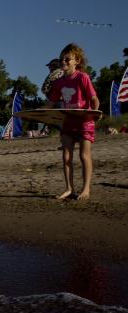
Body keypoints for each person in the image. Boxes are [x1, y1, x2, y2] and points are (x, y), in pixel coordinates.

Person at [46, 43, 99, 201]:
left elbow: (94, 99)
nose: (64, 61)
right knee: (66, 157)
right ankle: (69, 189)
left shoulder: (83, 77)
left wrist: (95, 111)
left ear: (77, 61)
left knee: (84, 155)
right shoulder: (58, 83)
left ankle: (86, 189)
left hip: (84, 122)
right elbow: (50, 103)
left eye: (68, 59)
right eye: (62, 59)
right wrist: (34, 113)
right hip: (68, 121)